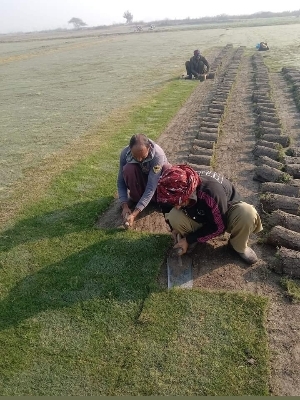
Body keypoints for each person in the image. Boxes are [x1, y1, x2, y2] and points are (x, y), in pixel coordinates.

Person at [157, 165, 263, 264]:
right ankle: (194, 238)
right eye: (173, 202)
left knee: (247, 213)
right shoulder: (171, 187)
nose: (177, 206)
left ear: (188, 193)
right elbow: (166, 208)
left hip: (225, 214)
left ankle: (238, 246)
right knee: (174, 216)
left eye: (179, 202)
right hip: (202, 213)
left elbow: (220, 227)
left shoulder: (211, 192)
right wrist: (173, 229)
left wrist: (188, 240)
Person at [117, 134, 171, 227]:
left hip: (156, 182)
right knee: (128, 169)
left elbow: (151, 186)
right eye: (135, 156)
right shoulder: (124, 153)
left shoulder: (158, 155)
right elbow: (121, 181)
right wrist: (124, 206)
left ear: (149, 147)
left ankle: (159, 199)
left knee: (167, 168)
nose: (139, 159)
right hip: (142, 177)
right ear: (130, 148)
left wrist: (134, 213)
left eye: (143, 156)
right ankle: (136, 197)